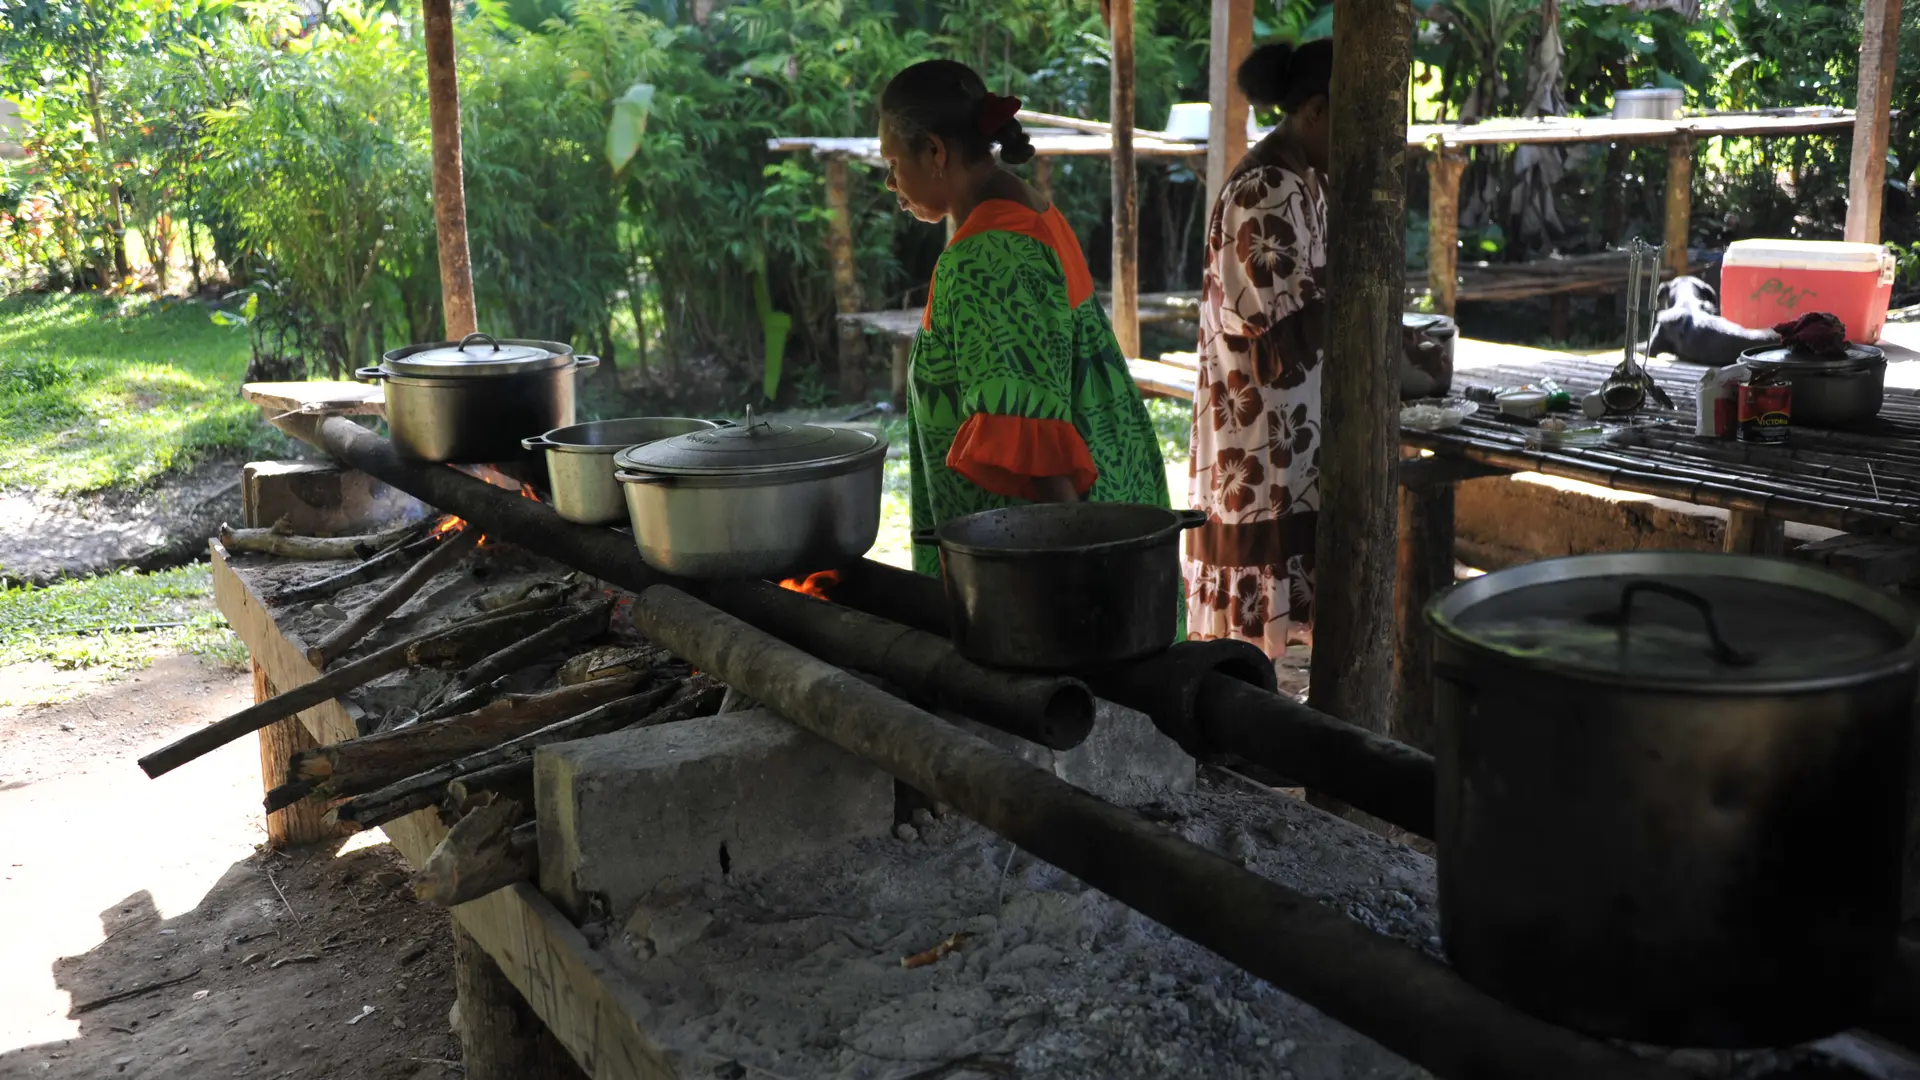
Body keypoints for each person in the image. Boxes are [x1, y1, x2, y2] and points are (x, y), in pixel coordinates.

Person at [879, 59, 1171, 581]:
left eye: (894, 163)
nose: (890, 182)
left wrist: (1075, 586)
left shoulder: (993, 253)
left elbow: (1036, 456)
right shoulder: (1021, 210)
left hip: (1042, 555)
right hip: (1099, 508)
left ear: (934, 151)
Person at [1184, 39, 1332, 659]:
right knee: (1261, 615)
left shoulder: (1303, 178)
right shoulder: (1267, 189)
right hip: (1264, 430)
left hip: (1283, 425)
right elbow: (1284, 336)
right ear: (1318, 111)